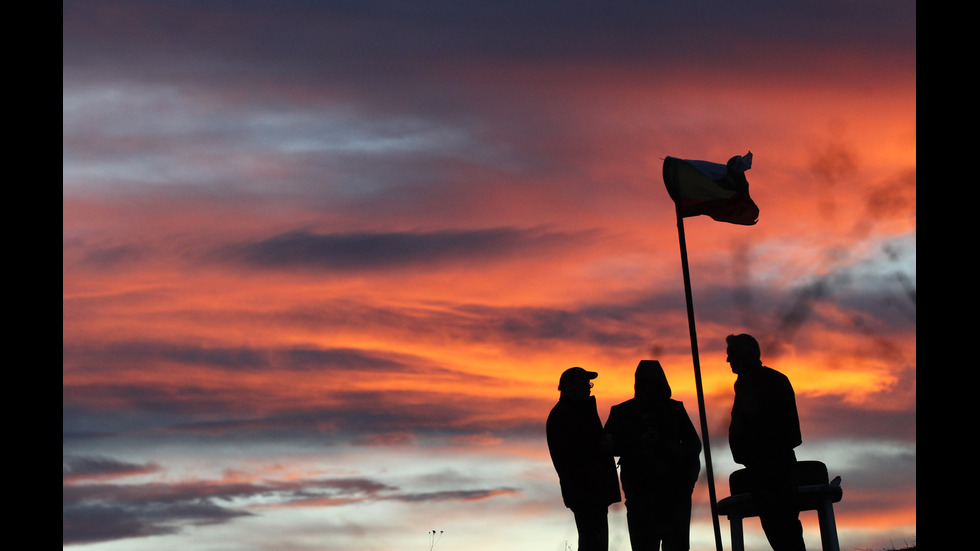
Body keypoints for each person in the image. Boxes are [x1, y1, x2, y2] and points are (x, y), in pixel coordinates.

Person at [604, 360, 701, 551]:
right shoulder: (622, 412)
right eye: (645, 382)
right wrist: (638, 441)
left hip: (675, 495)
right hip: (640, 494)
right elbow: (607, 446)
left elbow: (694, 445)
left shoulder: (675, 410)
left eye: (654, 383)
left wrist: (687, 481)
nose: (650, 388)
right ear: (638, 384)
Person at [726, 334, 806, 551]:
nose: (727, 360)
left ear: (748, 355)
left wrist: (763, 455)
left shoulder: (771, 381)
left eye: (731, 355)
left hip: (775, 469)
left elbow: (787, 430)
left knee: (784, 529)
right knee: (778, 530)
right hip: (761, 469)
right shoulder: (744, 384)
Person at [547, 367, 622, 551]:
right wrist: (601, 446)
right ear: (567, 386)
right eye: (584, 383)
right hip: (585, 491)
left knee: (595, 541)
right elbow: (570, 454)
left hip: (592, 491)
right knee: (593, 541)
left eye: (589, 384)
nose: (589, 388)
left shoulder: (579, 411)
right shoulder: (563, 414)